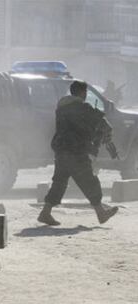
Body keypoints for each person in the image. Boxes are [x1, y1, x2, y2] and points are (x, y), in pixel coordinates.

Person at [38, 80, 118, 226]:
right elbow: (101, 121)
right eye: (86, 92)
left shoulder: (62, 107)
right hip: (75, 150)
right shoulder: (81, 107)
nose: (86, 95)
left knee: (59, 182)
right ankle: (101, 213)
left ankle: (45, 212)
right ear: (83, 93)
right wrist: (105, 134)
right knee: (89, 180)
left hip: (62, 150)